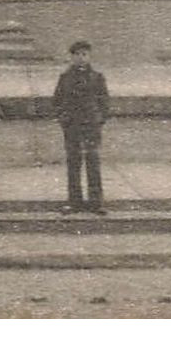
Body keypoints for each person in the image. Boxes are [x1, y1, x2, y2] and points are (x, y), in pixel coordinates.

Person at [52, 40, 108, 214]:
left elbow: (104, 101)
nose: (81, 58)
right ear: (72, 57)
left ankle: (96, 202)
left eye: (84, 54)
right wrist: (63, 118)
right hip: (72, 125)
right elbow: (57, 101)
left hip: (91, 125)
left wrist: (99, 119)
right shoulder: (65, 78)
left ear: (89, 56)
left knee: (93, 162)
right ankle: (74, 202)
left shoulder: (97, 77)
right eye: (77, 54)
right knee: (73, 163)